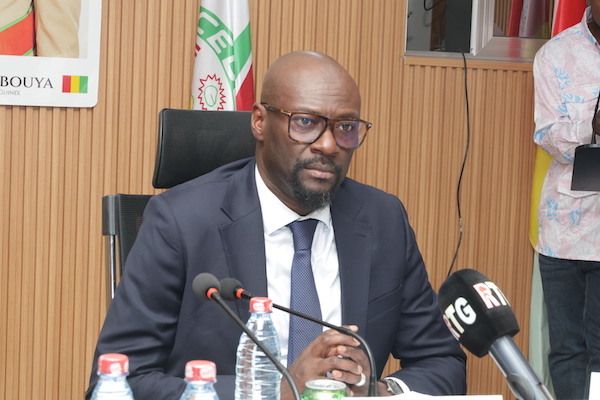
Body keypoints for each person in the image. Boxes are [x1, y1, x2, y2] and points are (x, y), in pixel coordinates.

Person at [86, 51, 466, 400]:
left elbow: (442, 363)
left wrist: (380, 391)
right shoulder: (180, 221)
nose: (329, 145)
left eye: (345, 126)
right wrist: (278, 391)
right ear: (259, 121)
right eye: (306, 122)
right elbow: (119, 383)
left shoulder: (383, 219)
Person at [533, 2, 600, 399]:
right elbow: (546, 135)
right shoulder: (555, 54)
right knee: (568, 350)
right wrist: (590, 126)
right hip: (566, 230)